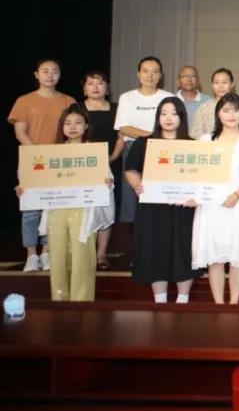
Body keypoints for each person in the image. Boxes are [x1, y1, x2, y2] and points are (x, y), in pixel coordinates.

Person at [17, 105, 113, 301]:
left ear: (86, 126)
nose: (73, 127)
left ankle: (82, 304)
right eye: (68, 123)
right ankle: (59, 303)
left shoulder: (95, 152)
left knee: (82, 259)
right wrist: (25, 190)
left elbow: (106, 183)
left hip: (84, 211)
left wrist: (107, 183)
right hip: (56, 210)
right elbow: (37, 181)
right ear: (61, 127)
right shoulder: (52, 153)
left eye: (78, 122)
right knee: (58, 259)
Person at [191, 93, 239, 304]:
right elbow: (196, 173)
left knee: (236, 257)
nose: (231, 115)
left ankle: (234, 303)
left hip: (238, 202)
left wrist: (236, 195)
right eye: (226, 110)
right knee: (215, 257)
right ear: (218, 114)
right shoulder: (205, 140)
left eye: (236, 110)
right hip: (211, 205)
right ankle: (219, 303)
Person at [124, 97, 197, 303]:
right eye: (164, 113)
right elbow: (131, 169)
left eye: (174, 114)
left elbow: (201, 178)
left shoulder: (192, 145)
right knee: (156, 249)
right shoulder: (144, 143)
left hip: (183, 209)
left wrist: (197, 195)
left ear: (182, 118)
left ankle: (183, 299)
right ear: (157, 117)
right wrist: (137, 184)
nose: (168, 118)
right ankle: (160, 301)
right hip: (153, 209)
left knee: (183, 250)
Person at [9, 58, 76, 271]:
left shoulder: (68, 101)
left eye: (55, 71)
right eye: (45, 71)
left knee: (53, 209)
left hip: (59, 162)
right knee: (30, 209)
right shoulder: (24, 100)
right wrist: (40, 154)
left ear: (60, 75)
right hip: (32, 161)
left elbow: (75, 130)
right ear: (36, 75)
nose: (50, 75)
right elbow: (20, 132)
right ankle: (31, 254)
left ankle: (47, 252)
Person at [114, 57, 170, 240]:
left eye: (155, 71)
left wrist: (154, 140)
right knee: (133, 198)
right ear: (138, 74)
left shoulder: (168, 97)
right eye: (145, 71)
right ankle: (136, 246)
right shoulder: (127, 97)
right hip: (133, 149)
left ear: (161, 75)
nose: (150, 75)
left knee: (158, 197)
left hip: (162, 151)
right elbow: (123, 127)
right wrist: (151, 136)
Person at [81, 71, 124, 269]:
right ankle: (86, 252)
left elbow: (121, 137)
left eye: (100, 83)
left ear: (107, 88)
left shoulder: (117, 109)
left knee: (107, 206)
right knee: (87, 207)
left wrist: (112, 157)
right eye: (91, 83)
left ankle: (101, 253)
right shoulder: (77, 108)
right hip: (85, 165)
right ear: (84, 88)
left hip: (111, 163)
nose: (96, 87)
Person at [190, 67, 235, 139]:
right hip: (209, 144)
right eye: (216, 83)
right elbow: (194, 133)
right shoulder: (204, 107)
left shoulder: (238, 106)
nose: (220, 86)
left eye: (224, 82)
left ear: (232, 84)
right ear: (212, 85)